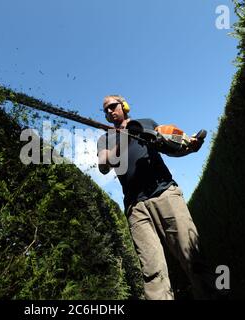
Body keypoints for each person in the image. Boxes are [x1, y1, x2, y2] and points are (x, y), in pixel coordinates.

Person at [97, 94, 212, 300]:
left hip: (165, 193)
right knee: (152, 272)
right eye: (104, 110)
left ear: (124, 105)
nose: (108, 112)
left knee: (192, 256)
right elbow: (104, 165)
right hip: (136, 208)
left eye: (112, 106)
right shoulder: (105, 139)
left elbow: (172, 148)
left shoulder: (147, 123)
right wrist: (125, 136)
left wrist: (189, 147)